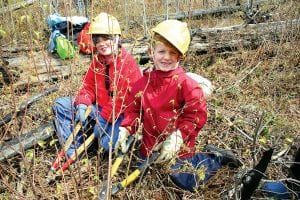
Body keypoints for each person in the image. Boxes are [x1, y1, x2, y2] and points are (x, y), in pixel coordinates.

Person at [114, 19, 242, 192]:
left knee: (183, 180)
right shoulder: (142, 83)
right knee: (142, 171)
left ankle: (214, 157)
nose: (166, 57)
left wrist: (177, 138)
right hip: (150, 143)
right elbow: (134, 109)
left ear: (180, 56)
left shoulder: (186, 84)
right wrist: (126, 128)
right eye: (161, 51)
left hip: (179, 145)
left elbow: (196, 115)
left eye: (172, 53)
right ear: (151, 51)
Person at [52, 13, 142, 164]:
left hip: (120, 115)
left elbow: (124, 100)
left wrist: (103, 118)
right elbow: (88, 86)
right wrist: (82, 103)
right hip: (98, 109)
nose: (102, 44)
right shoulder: (97, 61)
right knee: (61, 105)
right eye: (97, 40)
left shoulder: (128, 64)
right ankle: (74, 150)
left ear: (117, 37)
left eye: (106, 38)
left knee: (108, 145)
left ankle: (127, 139)